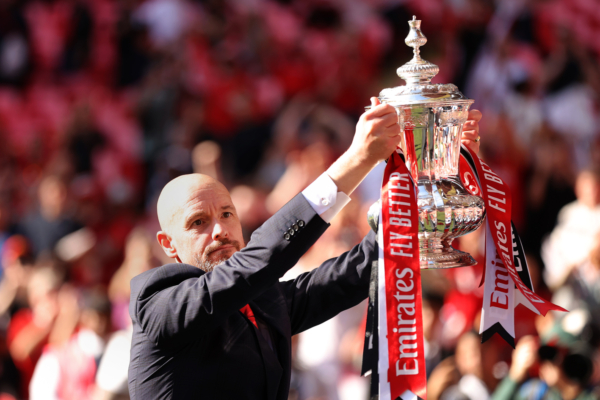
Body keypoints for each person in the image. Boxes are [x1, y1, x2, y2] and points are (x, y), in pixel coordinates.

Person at [128, 99, 482, 399]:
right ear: (168, 245)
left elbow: (351, 273)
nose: (220, 230)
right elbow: (256, 264)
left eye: (226, 214)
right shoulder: (155, 302)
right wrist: (357, 159)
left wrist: (434, 185)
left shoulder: (263, 303)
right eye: (198, 223)